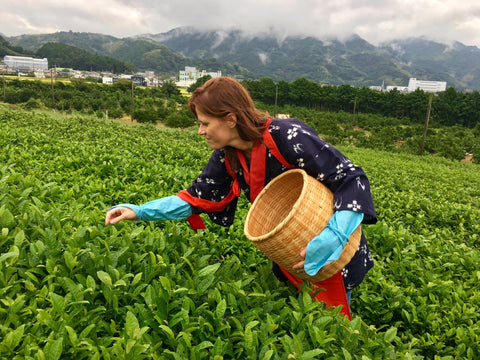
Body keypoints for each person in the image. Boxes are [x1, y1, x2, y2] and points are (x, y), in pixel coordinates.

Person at [105, 76, 377, 319]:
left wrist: (336, 235)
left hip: (331, 241)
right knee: (302, 315)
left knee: (333, 319)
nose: (200, 131)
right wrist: (140, 211)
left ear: (230, 119)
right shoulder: (228, 155)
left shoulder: (288, 136)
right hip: (287, 247)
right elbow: (197, 196)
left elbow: (350, 177)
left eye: (205, 123)